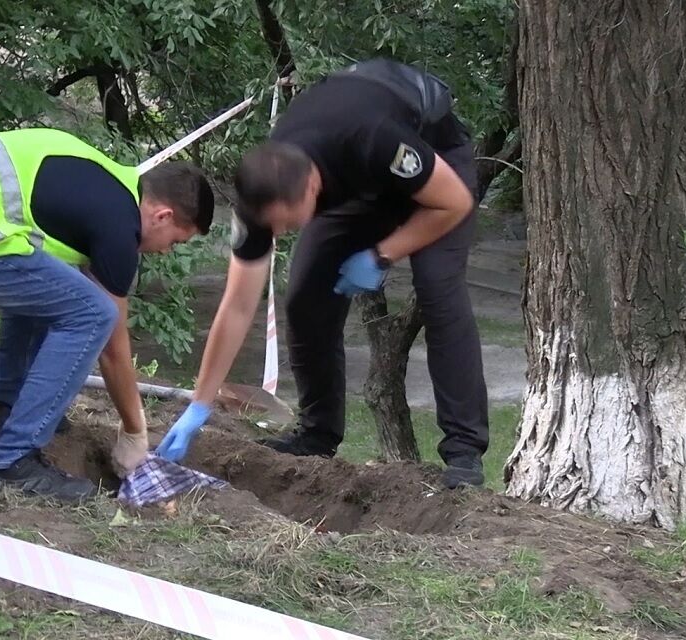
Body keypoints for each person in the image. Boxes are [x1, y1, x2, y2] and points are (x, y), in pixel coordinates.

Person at [157, 58, 488, 488]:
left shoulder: (374, 138)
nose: (278, 233)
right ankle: (317, 434)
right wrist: (199, 404)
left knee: (438, 290)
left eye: (286, 223)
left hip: (436, 168)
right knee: (305, 298)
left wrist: (382, 255)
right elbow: (237, 306)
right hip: (360, 184)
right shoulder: (262, 196)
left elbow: (455, 204)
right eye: (272, 225)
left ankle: (464, 453)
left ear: (313, 188)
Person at [0, 127, 214, 501]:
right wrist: (135, 430)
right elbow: (113, 347)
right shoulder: (118, 227)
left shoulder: (107, 182)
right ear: (163, 215)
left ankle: (6, 407)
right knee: (93, 314)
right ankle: (13, 462)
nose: (165, 251)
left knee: (55, 288)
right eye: (175, 241)